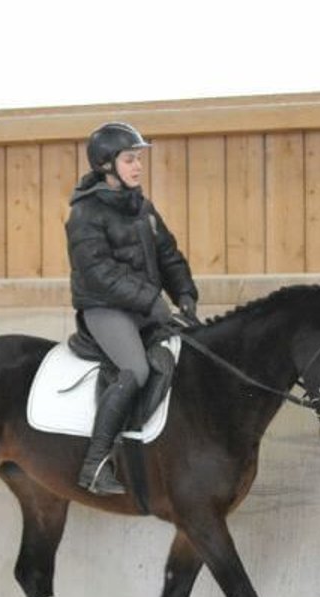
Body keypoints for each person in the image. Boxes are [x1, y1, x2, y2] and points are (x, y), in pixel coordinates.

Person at [66, 121, 199, 496]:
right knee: (136, 369)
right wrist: (152, 302)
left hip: (143, 306)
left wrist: (185, 292)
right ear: (107, 164)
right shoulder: (84, 214)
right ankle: (95, 462)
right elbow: (99, 274)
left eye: (138, 159)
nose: (138, 166)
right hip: (105, 308)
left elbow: (168, 255)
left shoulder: (143, 207)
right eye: (130, 159)